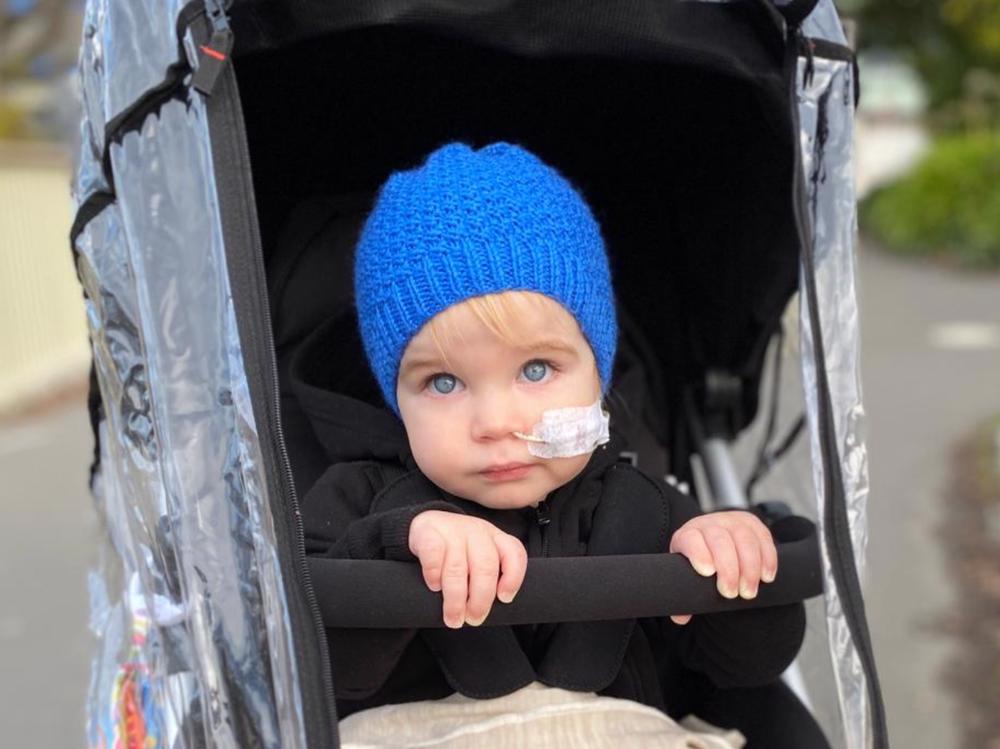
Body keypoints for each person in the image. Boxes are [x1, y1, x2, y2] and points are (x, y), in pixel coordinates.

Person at [295, 142, 809, 740]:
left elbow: (745, 667)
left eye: (536, 370)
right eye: (443, 382)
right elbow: (320, 667)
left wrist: (734, 559)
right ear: (396, 399)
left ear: (599, 375)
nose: (495, 421)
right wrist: (397, 546)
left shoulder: (645, 507)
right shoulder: (356, 501)